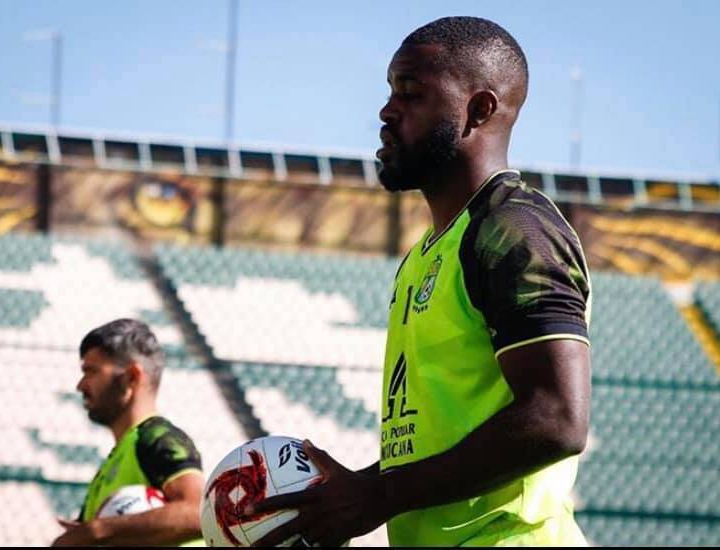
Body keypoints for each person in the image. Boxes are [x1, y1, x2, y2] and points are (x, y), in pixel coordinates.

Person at [246, 16, 592, 547]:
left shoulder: (513, 228)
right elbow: (445, 441)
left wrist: (376, 496)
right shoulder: (425, 255)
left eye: (410, 93)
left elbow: (556, 419)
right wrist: (352, 492)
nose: (386, 112)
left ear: (478, 110)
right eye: (390, 91)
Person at [52, 319, 205, 547]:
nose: (81, 385)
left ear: (132, 376)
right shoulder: (117, 459)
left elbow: (200, 510)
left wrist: (97, 531)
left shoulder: (157, 437)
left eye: (91, 371)